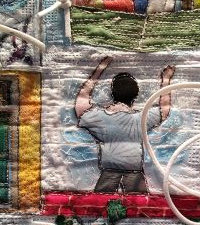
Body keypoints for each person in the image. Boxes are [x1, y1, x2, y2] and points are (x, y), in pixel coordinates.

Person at [75, 57, 175, 193]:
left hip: (108, 173)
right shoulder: (141, 118)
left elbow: (81, 107)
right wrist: (166, 79)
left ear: (112, 93)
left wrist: (98, 71)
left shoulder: (101, 118)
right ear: (135, 95)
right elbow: (164, 109)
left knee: (101, 202)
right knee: (139, 203)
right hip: (134, 174)